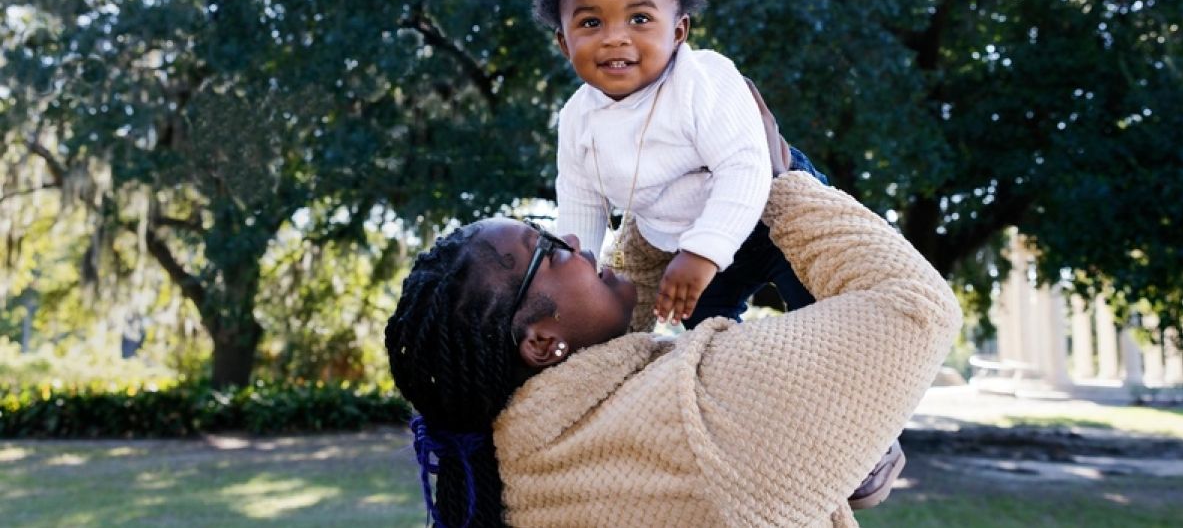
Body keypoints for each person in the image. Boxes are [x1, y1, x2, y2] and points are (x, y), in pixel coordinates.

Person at [384, 96, 962, 527]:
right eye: (552, 252)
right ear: (538, 342)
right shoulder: (697, 420)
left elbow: (622, 310)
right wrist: (773, 175)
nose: (578, 245)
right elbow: (914, 307)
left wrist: (663, 183)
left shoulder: (529, 452)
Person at [539, 0, 824, 331]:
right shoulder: (577, 120)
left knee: (819, 305)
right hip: (686, 241)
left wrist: (704, 252)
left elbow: (743, 168)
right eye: (591, 22)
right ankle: (738, 388)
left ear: (677, 32)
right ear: (565, 42)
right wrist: (576, 275)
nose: (616, 36)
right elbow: (581, 207)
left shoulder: (702, 80)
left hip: (768, 210)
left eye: (639, 19)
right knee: (707, 332)